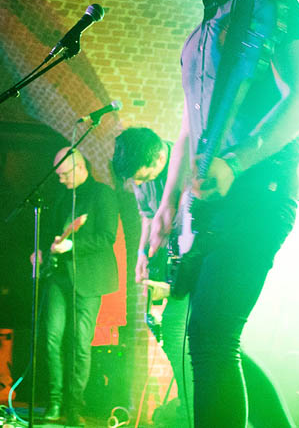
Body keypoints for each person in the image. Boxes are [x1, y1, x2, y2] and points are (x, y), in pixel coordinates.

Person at [148, 0, 299, 428]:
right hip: (209, 207)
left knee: (213, 335)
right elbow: (189, 129)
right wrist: (165, 206)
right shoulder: (197, 37)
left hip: (260, 193)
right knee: (184, 331)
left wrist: (237, 162)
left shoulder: (273, 2)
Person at [113, 127, 191, 427]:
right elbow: (147, 216)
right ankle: (188, 407)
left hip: (195, 260)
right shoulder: (139, 178)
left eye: (143, 177)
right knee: (168, 333)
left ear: (161, 156)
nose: (138, 183)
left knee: (183, 335)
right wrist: (141, 254)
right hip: (169, 262)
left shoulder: (186, 166)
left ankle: (192, 410)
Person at [37, 147, 119, 425]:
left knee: (81, 343)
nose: (60, 180)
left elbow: (107, 237)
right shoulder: (62, 196)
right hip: (59, 277)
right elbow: (52, 233)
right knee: (51, 338)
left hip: (88, 278)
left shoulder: (102, 194)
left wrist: (73, 245)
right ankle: (55, 401)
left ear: (80, 167)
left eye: (64, 174)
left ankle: (74, 407)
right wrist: (41, 251)